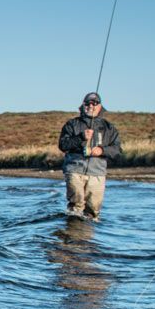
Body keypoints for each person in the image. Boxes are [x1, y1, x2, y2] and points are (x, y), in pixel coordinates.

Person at [57, 92, 122, 220]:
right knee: (76, 206)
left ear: (100, 106)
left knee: (93, 210)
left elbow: (117, 150)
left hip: (97, 173)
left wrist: (102, 150)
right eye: (88, 103)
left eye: (94, 103)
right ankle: (73, 235)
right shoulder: (72, 124)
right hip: (74, 170)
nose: (91, 106)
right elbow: (63, 145)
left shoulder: (109, 128)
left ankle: (88, 237)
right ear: (83, 105)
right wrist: (81, 137)